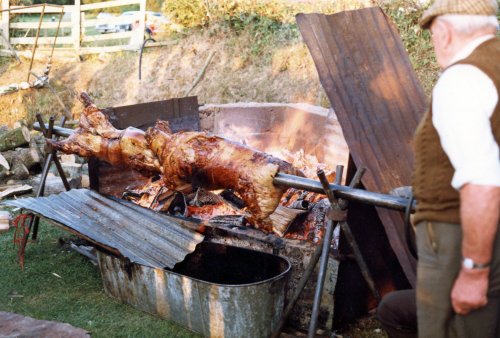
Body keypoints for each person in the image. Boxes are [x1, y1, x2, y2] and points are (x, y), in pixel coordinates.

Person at [411, 0, 500, 337]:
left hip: (458, 236)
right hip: (488, 229)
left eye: (433, 36)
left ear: (444, 32)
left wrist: (473, 270)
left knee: (449, 330)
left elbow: (483, 181)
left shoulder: (462, 79)